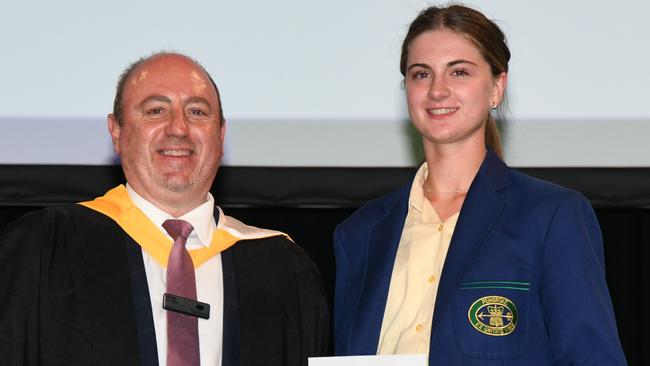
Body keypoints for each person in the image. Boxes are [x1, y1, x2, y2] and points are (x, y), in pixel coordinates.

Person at [333, 5, 626, 365]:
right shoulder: (359, 233)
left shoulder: (551, 216)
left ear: (497, 88)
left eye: (459, 72)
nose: (437, 90)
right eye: (421, 74)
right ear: (406, 89)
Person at [0, 52, 329, 366]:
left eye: (197, 112)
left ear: (221, 134)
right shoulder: (45, 248)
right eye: (156, 110)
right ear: (117, 131)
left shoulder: (282, 268)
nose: (179, 128)